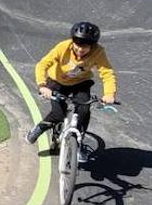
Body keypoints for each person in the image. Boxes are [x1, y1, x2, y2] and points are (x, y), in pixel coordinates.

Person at [25, 22, 117, 161]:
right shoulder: (62, 47)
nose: (81, 49)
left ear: (92, 45)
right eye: (78, 45)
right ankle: (38, 129)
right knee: (58, 114)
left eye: (85, 47)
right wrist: (42, 85)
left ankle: (78, 145)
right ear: (73, 41)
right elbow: (42, 64)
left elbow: (107, 73)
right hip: (57, 82)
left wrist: (109, 94)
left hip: (81, 83)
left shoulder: (98, 52)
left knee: (84, 110)